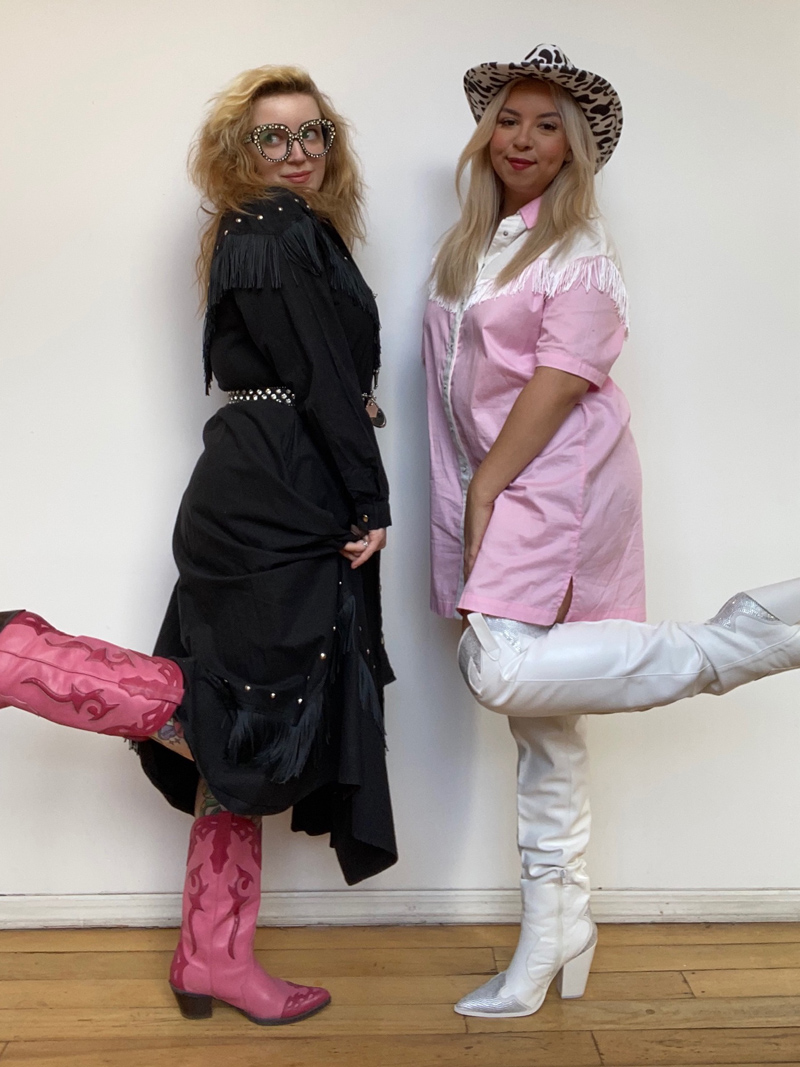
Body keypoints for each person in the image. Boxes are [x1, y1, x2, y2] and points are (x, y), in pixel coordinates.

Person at [0, 64, 396, 1026]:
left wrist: (354, 404)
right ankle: (10, 650)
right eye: (273, 137)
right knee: (244, 712)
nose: (296, 153)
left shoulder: (275, 233)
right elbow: (312, 375)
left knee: (247, 717)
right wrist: (369, 493)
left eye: (313, 135)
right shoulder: (272, 229)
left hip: (261, 481)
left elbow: (303, 370)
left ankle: (213, 956)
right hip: (275, 502)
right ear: (238, 151)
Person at [423, 43, 800, 1020]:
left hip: (554, 483)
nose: (522, 138)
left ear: (575, 150)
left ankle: (745, 637)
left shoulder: (576, 250)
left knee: (501, 666)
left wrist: (485, 491)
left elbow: (557, 381)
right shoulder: (479, 241)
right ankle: (556, 932)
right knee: (540, 726)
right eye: (510, 118)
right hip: (488, 480)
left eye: (548, 126)